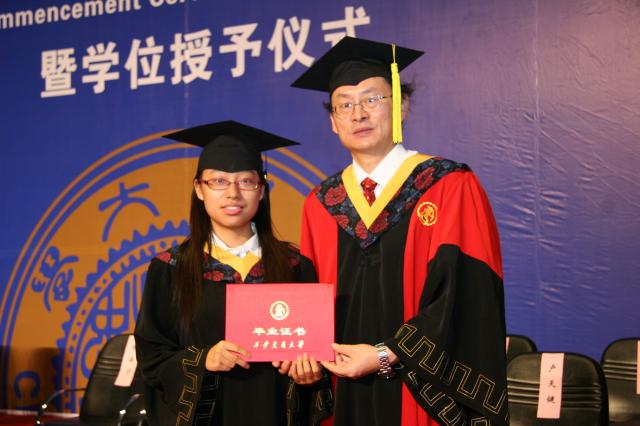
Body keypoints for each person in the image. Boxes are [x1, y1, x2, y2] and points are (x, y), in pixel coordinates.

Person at [291, 37, 508, 426]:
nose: (358, 113)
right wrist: (303, 357)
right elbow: (309, 307)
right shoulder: (321, 204)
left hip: (420, 392)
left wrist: (385, 353)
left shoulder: (448, 185)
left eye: (372, 99)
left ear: (401, 107)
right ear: (333, 122)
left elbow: (466, 296)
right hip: (344, 392)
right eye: (345, 105)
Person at [134, 121, 332, 426]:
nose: (233, 193)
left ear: (261, 190)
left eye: (246, 181)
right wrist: (205, 359)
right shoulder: (171, 269)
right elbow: (152, 359)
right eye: (219, 182)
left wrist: (310, 373)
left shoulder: (295, 267)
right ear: (199, 189)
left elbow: (318, 354)